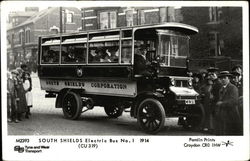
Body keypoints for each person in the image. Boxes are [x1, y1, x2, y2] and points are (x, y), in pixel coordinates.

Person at [214, 71, 241, 135]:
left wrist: (222, 103)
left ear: (228, 78)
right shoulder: (221, 88)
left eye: (225, 78)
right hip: (222, 115)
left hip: (231, 114)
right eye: (221, 78)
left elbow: (234, 101)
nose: (223, 79)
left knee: (229, 133)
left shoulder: (233, 88)